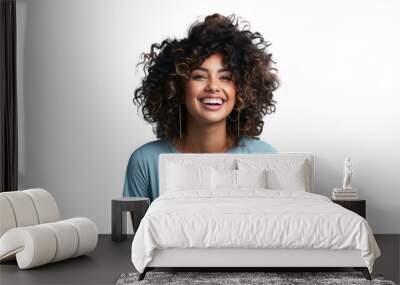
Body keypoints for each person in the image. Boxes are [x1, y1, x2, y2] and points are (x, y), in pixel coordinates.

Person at [123, 13, 280, 201]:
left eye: (225, 77)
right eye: (199, 76)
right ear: (176, 86)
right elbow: (139, 231)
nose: (213, 86)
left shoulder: (265, 157)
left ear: (242, 90)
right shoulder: (145, 161)